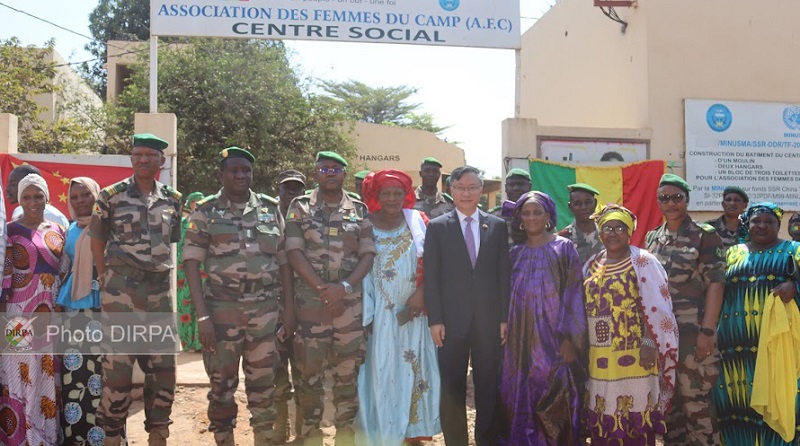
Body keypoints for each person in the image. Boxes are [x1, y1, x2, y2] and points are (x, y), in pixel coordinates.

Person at [183, 147, 292, 445]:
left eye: (246, 170)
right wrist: (202, 315)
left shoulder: (270, 209)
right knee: (221, 386)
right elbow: (191, 262)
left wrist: (288, 311)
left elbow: (284, 263)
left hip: (265, 310)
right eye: (234, 170)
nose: (241, 175)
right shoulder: (205, 211)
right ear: (222, 174)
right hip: (221, 311)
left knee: (264, 386)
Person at [89, 133, 182, 446]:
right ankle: (112, 437)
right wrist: (104, 278)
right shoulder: (110, 196)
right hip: (121, 295)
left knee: (163, 369)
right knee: (117, 371)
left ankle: (159, 434)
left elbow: (171, 242)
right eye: (138, 154)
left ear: (161, 161)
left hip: (158, 294)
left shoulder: (174, 199)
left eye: (150, 155)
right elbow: (97, 239)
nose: (143, 160)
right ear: (131, 158)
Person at [285, 151, 376, 446]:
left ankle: (345, 438)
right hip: (312, 307)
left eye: (336, 169)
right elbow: (294, 253)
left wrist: (345, 287)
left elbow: (367, 255)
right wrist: (325, 290)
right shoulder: (299, 207)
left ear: (344, 175)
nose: (330, 173)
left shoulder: (359, 209)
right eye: (324, 168)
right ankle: (310, 437)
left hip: (348, 309)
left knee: (347, 378)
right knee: (309, 377)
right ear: (315, 175)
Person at [423, 165, 510, 445]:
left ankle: (486, 439)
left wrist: (503, 318)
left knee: (487, 386)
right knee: (452, 389)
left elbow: (502, 275)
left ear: (481, 191)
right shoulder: (437, 227)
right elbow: (431, 277)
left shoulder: (496, 226)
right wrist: (434, 319)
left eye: (472, 187)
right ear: (450, 190)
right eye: (460, 188)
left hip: (488, 324)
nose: (466, 193)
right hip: (450, 323)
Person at [356, 169, 441, 445]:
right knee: (381, 371)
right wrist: (365, 313)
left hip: (414, 315)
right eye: (386, 193)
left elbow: (436, 263)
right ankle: (383, 433)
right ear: (376, 195)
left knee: (413, 371)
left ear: (406, 195)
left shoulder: (419, 221)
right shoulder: (364, 224)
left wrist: (422, 292)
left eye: (397, 193)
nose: (392, 198)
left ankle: (411, 434)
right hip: (379, 315)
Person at [583, 204, 679, 446]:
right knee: (604, 410)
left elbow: (658, 305)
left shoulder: (644, 261)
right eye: (607, 227)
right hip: (599, 355)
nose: (613, 232)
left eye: (619, 228)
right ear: (600, 232)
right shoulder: (592, 264)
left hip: (635, 353)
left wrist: (649, 342)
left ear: (630, 232)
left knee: (634, 412)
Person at [498, 191, 586, 445]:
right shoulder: (514, 253)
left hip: (554, 338)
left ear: (548, 216)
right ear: (519, 219)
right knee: (519, 390)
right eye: (526, 213)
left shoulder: (564, 248)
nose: (532, 217)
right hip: (518, 339)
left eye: (537, 212)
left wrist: (570, 337)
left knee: (553, 390)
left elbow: (573, 293)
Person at [644, 173, 725, 446]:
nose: (671, 203)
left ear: (687, 200)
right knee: (670, 406)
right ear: (658, 202)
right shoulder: (653, 238)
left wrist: (708, 331)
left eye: (677, 197)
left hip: (693, 335)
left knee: (696, 404)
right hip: (662, 338)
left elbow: (715, 284)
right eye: (664, 198)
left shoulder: (705, 235)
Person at [713, 203, 800, 446]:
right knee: (736, 403)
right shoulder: (733, 253)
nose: (761, 226)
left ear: (778, 225)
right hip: (734, 344)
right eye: (756, 221)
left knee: (778, 399)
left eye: (768, 222)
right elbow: (716, 290)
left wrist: (795, 287)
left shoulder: (794, 250)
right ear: (747, 225)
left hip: (776, 344)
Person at [0, 174, 65, 446]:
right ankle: (17, 438)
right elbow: (5, 274)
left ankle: (45, 437)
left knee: (47, 370)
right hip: (18, 310)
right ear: (19, 199)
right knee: (17, 372)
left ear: (47, 198)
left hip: (49, 310)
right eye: (27, 196)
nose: (33, 201)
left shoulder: (58, 229)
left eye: (38, 195)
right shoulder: (11, 231)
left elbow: (64, 270)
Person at [56, 177, 113, 445]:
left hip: (102, 312)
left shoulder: (109, 227)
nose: (80, 201)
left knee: (104, 382)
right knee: (75, 382)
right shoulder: (70, 231)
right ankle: (77, 440)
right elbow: (64, 269)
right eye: (75, 196)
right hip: (72, 316)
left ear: (96, 196)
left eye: (85, 195)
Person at [273, 169, 308, 442]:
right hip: (271, 309)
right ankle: (279, 427)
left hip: (306, 307)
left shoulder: (311, 217)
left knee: (305, 373)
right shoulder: (266, 216)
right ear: (279, 190)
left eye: (297, 188)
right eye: (288, 188)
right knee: (275, 372)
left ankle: (302, 432)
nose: (292, 193)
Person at [176, 191, 205, 352]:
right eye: (195, 201)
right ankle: (188, 343)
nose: (198, 204)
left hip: (202, 270)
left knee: (202, 305)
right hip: (183, 272)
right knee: (185, 306)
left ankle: (201, 343)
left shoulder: (207, 221)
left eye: (200, 201)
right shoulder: (181, 222)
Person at [558, 183, 604, 265]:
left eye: (588, 202)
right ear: (570, 207)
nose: (583, 207)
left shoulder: (606, 234)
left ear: (595, 203)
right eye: (577, 204)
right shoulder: (563, 238)